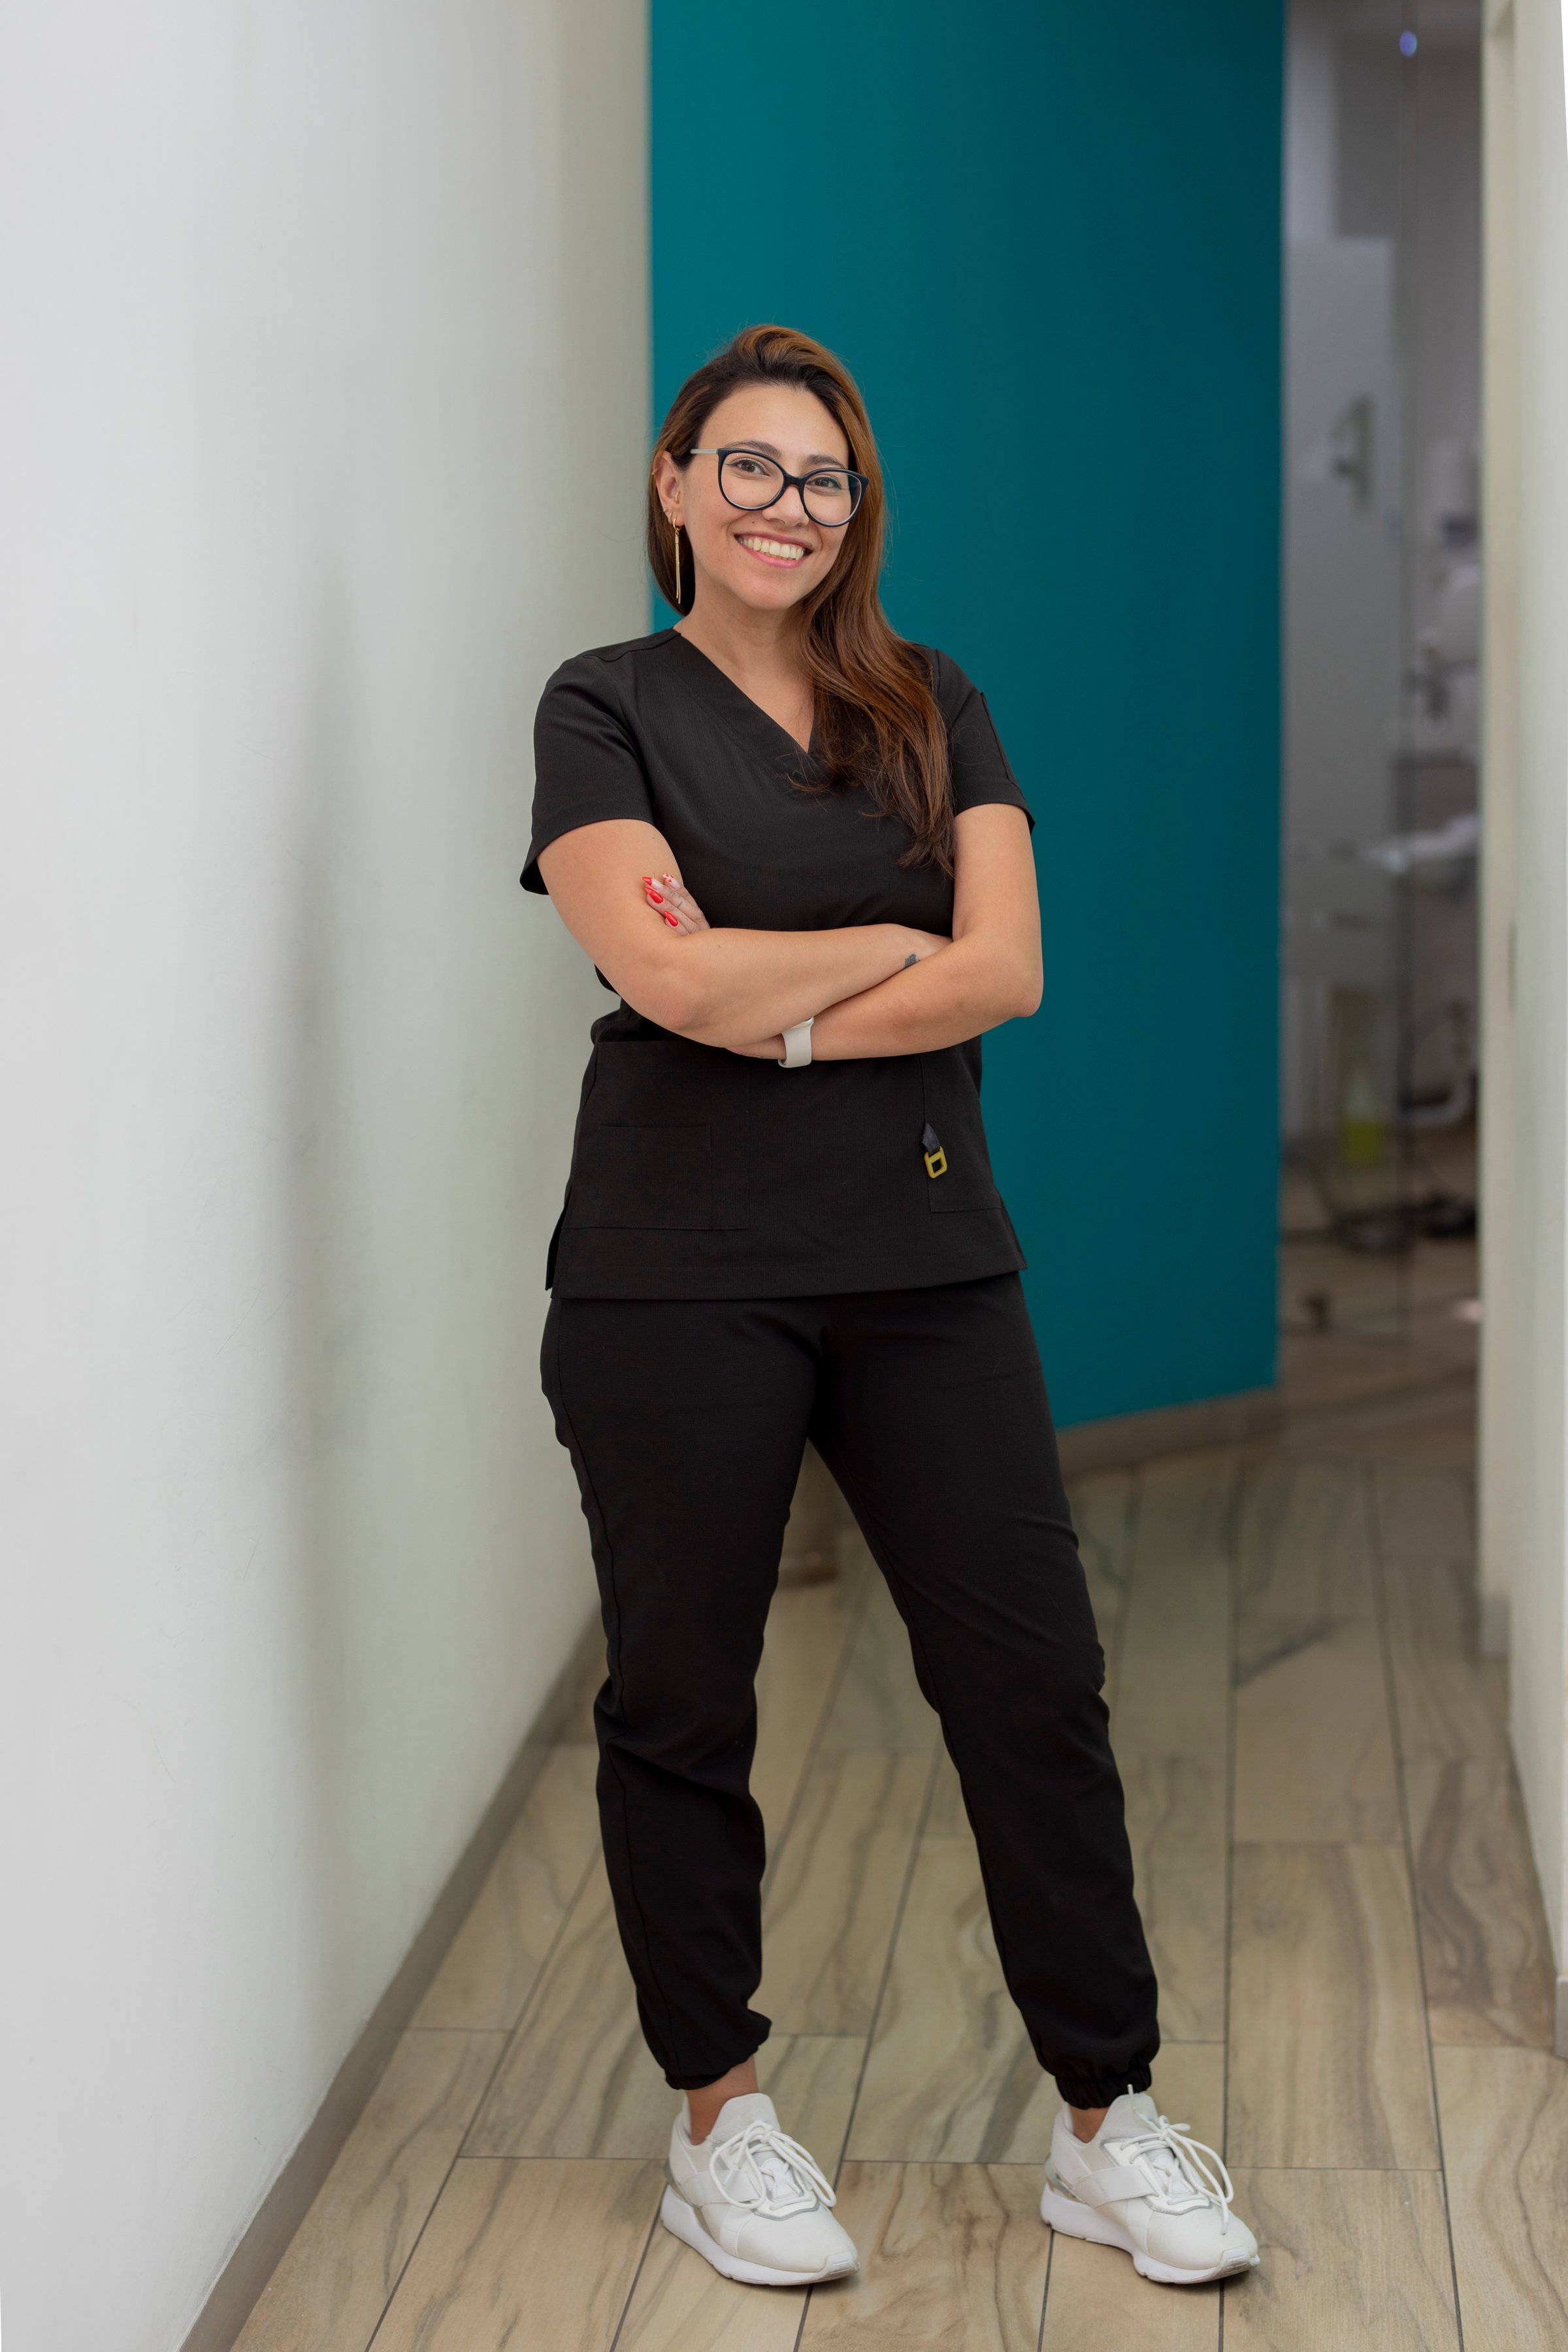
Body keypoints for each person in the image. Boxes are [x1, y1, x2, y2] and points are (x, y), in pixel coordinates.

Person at [523, 325, 1258, 2291]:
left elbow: (1005, 970)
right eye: (747, 467)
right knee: (684, 1696)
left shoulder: (936, 703)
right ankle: (722, 2121)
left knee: (1035, 1692)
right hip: (674, 1279)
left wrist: (770, 983)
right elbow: (660, 980)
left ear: (862, 513)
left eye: (824, 478)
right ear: (675, 484)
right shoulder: (603, 709)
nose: (786, 506)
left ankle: (1107, 2121)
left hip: (930, 1267)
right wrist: (874, 944)